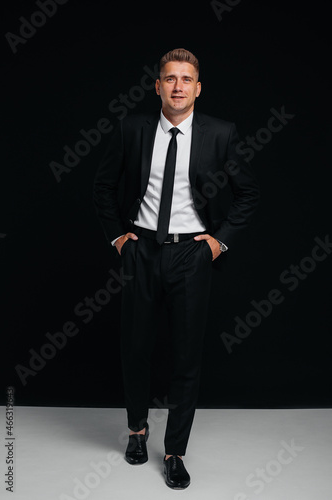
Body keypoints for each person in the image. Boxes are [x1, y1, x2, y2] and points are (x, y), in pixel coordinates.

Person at [93, 48, 260, 489]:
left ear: (198, 88)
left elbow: (247, 194)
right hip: (141, 251)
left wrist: (218, 243)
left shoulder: (221, 134)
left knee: (187, 356)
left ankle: (174, 452)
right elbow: (103, 186)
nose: (178, 86)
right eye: (170, 79)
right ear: (157, 86)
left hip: (192, 256)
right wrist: (119, 238)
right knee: (136, 347)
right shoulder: (132, 129)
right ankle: (136, 431)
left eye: (186, 79)